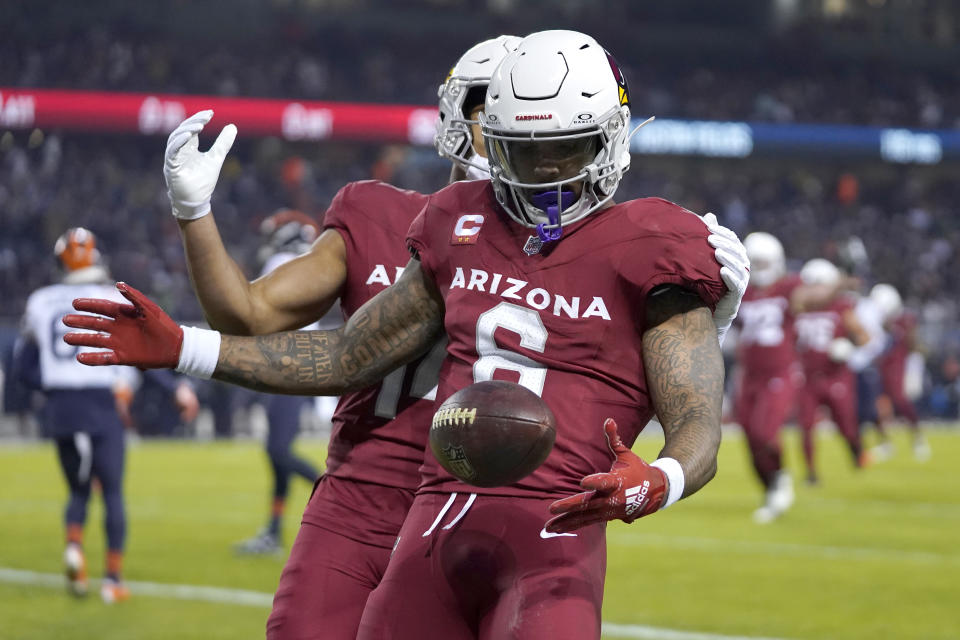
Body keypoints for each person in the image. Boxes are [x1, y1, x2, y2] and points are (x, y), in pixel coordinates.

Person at [64, 30, 749, 639]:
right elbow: (346, 354)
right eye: (521, 150)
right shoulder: (456, 221)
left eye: (564, 149)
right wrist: (186, 346)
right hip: (430, 523)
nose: (546, 173)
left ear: (610, 135)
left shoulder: (658, 241)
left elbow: (696, 422)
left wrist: (657, 480)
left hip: (553, 534)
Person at [13, 228, 195, 603]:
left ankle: (75, 548)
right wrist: (175, 387)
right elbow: (143, 351)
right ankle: (112, 579)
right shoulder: (112, 295)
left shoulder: (40, 300)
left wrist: (52, 388)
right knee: (111, 492)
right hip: (101, 405)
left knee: (78, 490)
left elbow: (24, 369)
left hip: (61, 409)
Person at [233, 209, 324, 555]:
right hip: (304, 363)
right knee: (277, 456)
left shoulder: (284, 261)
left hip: (287, 365)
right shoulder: (314, 262)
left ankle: (331, 490)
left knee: (277, 451)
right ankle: (272, 531)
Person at [735, 233, 841, 523]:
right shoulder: (743, 291)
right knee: (750, 438)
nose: (758, 267)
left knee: (764, 432)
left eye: (762, 261)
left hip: (779, 372)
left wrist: (841, 280)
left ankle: (780, 479)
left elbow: (814, 297)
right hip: (749, 375)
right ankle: (771, 488)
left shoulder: (788, 287)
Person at [794, 258, 870, 484]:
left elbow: (864, 337)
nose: (815, 290)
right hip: (807, 377)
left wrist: (849, 345)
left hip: (835, 375)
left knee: (846, 424)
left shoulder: (841, 306)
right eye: (811, 285)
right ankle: (811, 472)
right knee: (806, 425)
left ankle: (856, 451)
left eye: (820, 284)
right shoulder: (797, 306)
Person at [870, 283, 930, 461]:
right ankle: (885, 443)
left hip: (897, 369)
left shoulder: (904, 320)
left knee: (902, 404)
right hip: (879, 368)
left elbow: (912, 344)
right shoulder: (875, 319)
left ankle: (917, 438)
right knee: (876, 407)